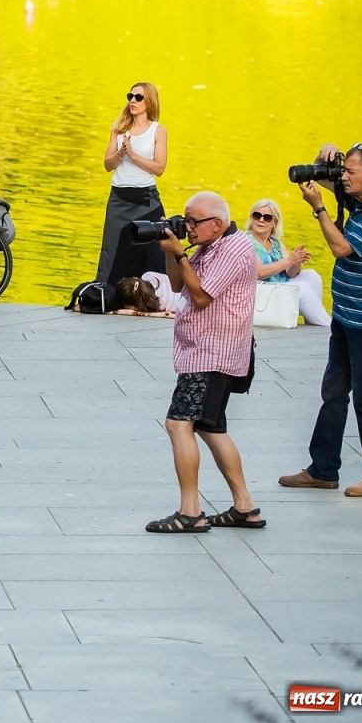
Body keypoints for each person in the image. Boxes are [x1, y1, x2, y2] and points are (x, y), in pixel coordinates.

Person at [280, 144, 362, 498]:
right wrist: (324, 163)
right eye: (343, 171)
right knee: (334, 392)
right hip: (346, 313)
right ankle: (323, 469)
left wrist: (318, 207)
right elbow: (338, 187)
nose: (344, 178)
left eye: (350, 172)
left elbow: (341, 248)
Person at [144, 192, 264, 533]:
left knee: (178, 424)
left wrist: (180, 253)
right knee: (211, 426)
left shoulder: (234, 249)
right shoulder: (210, 245)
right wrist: (172, 251)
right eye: (186, 219)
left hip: (212, 353)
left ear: (218, 223)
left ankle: (190, 512)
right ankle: (245, 508)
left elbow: (200, 297)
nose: (188, 226)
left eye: (194, 221)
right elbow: (180, 283)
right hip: (208, 350)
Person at [96, 82, 168, 284]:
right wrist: (120, 153)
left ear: (149, 102)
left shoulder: (158, 131)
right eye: (130, 96)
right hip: (118, 198)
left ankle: (152, 295)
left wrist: (133, 155)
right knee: (112, 250)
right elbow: (108, 165)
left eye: (138, 97)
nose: (132, 101)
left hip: (145, 199)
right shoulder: (118, 129)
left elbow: (159, 168)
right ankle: (108, 292)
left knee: (152, 252)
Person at [246, 198, 331, 328]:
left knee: (312, 276)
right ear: (252, 219)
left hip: (278, 287)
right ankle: (328, 326)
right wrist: (289, 260)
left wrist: (295, 261)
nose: (261, 220)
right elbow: (259, 273)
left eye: (267, 217)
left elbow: (291, 274)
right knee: (301, 288)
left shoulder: (275, 242)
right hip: (261, 293)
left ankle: (313, 321)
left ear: (275, 223)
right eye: (257, 216)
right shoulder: (245, 241)